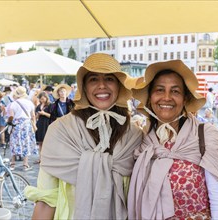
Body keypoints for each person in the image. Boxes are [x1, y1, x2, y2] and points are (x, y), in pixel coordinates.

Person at [25, 53, 142, 219]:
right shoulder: (60, 130)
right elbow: (46, 198)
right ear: (84, 86)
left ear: (119, 86)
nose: (102, 85)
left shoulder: (134, 134)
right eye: (93, 79)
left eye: (109, 79)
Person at [128, 60, 218, 219]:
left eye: (175, 91)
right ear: (150, 97)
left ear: (185, 99)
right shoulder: (142, 140)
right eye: (159, 90)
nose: (166, 97)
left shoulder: (205, 137)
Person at [8, 86, 37, 171]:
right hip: (27, 125)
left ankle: (12, 164)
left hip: (16, 125)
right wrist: (34, 124)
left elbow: (11, 116)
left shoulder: (13, 104)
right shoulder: (29, 103)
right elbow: (33, 116)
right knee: (26, 143)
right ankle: (25, 164)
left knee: (14, 143)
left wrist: (9, 122)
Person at [34, 92, 51, 164]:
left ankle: (46, 158)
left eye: (43, 99)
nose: (42, 100)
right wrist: (38, 115)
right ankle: (40, 158)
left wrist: (44, 113)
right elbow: (36, 117)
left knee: (46, 142)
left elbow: (52, 116)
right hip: (40, 124)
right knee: (40, 142)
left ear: (46, 98)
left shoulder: (50, 106)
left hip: (47, 124)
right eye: (40, 99)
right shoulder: (38, 106)